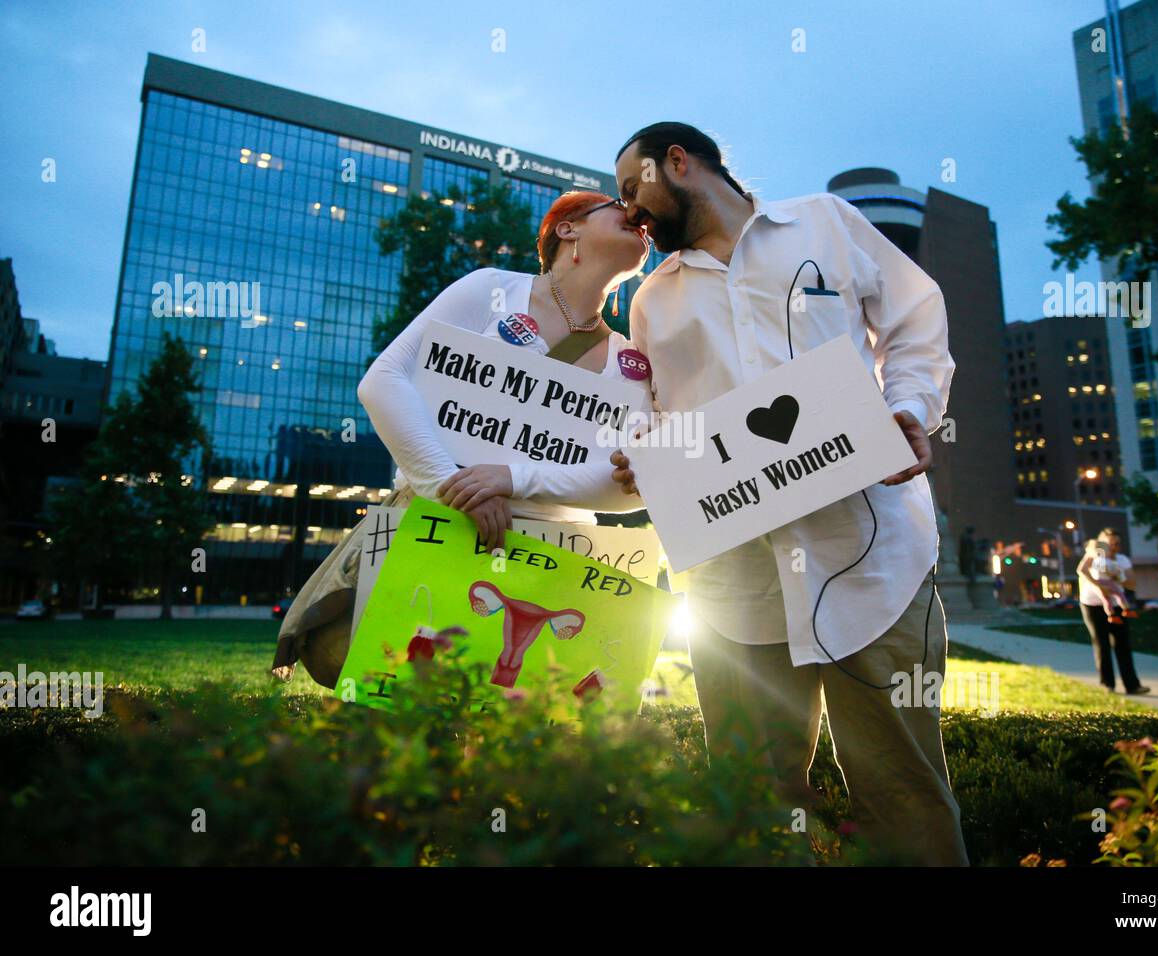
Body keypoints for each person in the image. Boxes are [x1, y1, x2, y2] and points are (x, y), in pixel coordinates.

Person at [607, 122, 968, 865]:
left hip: (871, 560)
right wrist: (643, 454)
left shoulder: (825, 224)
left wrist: (908, 407)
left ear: (678, 161)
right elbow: (665, 423)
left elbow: (915, 316)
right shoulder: (652, 302)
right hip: (734, 582)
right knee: (752, 799)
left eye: (631, 187)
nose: (631, 211)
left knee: (903, 792)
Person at [270, 190, 653, 687]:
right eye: (622, 210)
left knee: (512, 728)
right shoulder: (491, 290)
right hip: (442, 527)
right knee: (403, 710)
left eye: (645, 222)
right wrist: (453, 487)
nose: (639, 220)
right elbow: (384, 380)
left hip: (552, 562)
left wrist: (509, 479)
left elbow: (631, 481)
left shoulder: (630, 361)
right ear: (568, 229)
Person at [1076, 528, 1149, 694]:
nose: (1115, 547)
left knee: (1123, 643)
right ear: (1102, 543)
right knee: (1102, 643)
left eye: (1117, 543)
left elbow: (1132, 584)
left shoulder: (1122, 560)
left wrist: (1117, 576)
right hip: (1093, 605)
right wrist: (1100, 586)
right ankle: (1107, 685)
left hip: (1116, 605)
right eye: (1111, 543)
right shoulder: (1096, 554)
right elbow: (1081, 570)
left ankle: (1132, 685)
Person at [1085, 538, 1137, 624]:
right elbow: (1105, 571)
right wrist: (1113, 575)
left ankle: (1111, 615)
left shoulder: (1096, 560)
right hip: (1107, 581)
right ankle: (1126, 609)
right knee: (1119, 594)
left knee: (1106, 599)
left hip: (1099, 582)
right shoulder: (1101, 559)